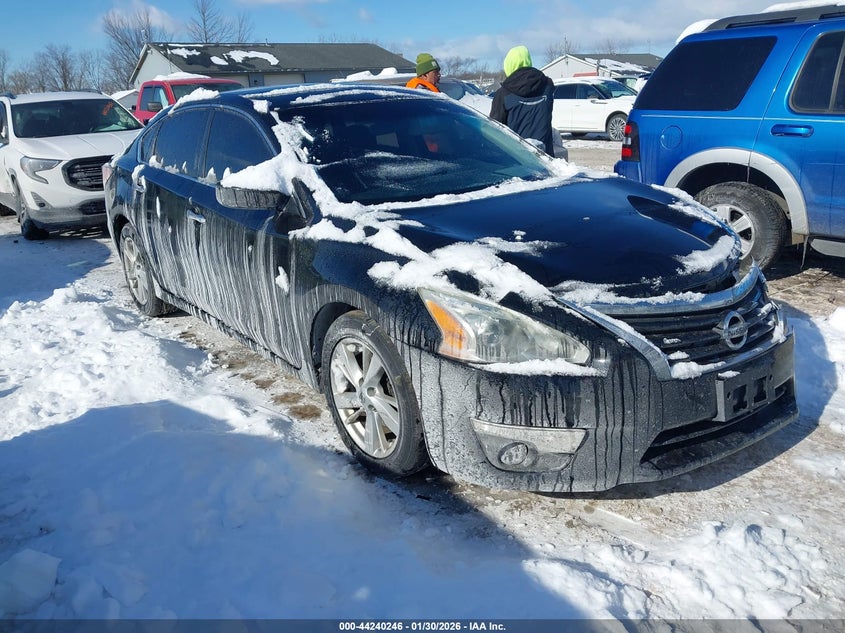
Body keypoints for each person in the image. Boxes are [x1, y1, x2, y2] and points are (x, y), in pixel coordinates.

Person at [490, 45, 555, 155]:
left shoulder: (503, 93)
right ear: (528, 61)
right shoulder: (547, 86)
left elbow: (494, 130)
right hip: (545, 158)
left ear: (509, 65)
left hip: (516, 159)